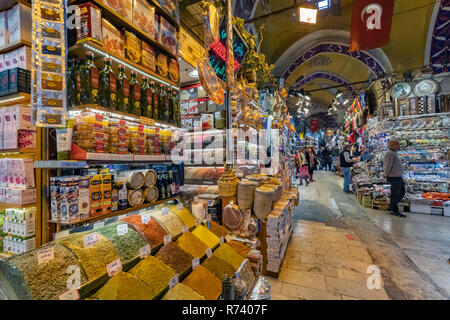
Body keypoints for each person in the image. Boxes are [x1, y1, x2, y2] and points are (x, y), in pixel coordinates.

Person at [384, 140, 407, 218]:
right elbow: (388, 165)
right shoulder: (390, 153)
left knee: (402, 191)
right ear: (393, 145)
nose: (398, 146)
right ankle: (394, 210)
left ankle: (392, 206)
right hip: (393, 176)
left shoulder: (393, 153)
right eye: (397, 145)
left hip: (397, 176)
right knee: (396, 193)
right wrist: (385, 174)